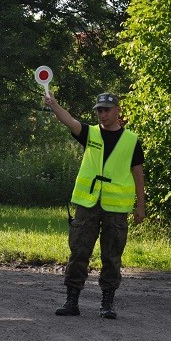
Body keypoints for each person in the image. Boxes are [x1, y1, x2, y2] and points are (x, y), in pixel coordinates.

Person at [44, 91, 146, 319]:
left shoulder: (131, 140)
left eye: (107, 110)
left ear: (118, 111)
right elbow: (69, 120)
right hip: (88, 204)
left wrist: (141, 205)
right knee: (79, 251)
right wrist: (54, 104)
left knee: (111, 256)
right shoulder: (90, 133)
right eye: (99, 110)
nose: (102, 114)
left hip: (116, 208)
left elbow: (138, 174)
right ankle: (72, 301)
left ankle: (107, 303)